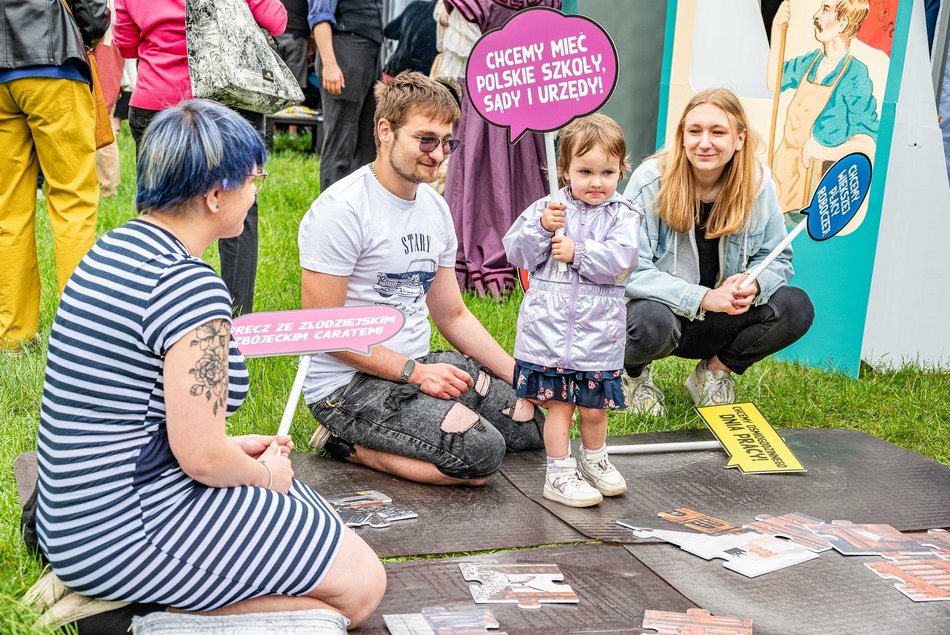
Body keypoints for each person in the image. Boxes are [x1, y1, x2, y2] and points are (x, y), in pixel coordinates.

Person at [34, 100, 384, 627]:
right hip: (127, 529)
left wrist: (233, 452)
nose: (256, 191)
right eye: (254, 179)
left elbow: (132, 413)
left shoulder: (113, 249)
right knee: (362, 588)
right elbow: (200, 458)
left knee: (311, 510)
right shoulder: (189, 287)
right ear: (215, 193)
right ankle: (144, 616)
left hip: (73, 517)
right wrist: (260, 475)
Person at [300, 71, 544, 486]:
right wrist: (414, 372)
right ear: (385, 131)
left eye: (448, 142)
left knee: (531, 423)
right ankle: (344, 444)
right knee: (480, 454)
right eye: (426, 139)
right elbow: (323, 332)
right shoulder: (341, 210)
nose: (438, 154)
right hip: (347, 388)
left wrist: (521, 375)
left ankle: (407, 427)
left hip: (419, 366)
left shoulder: (434, 207)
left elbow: (452, 314)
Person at [622, 88, 815, 415]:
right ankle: (632, 375)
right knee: (650, 321)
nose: (704, 142)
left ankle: (713, 373)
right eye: (694, 131)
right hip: (663, 316)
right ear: (682, 136)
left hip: (722, 317)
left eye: (718, 132)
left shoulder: (758, 183)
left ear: (740, 138)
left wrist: (754, 284)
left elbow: (778, 259)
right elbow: (628, 271)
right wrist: (701, 297)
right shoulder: (650, 180)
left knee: (796, 306)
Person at [114, 0, 289, 315]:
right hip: (226, 102)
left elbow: (126, 44)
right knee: (239, 208)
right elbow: (275, 20)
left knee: (160, 211)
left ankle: (159, 307)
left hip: (156, 103)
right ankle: (236, 318)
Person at [503, 114, 640, 508]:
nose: (597, 182)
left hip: (598, 338)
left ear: (621, 170)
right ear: (565, 170)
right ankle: (559, 472)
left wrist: (579, 252)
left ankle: (594, 459)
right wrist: (543, 229)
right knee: (560, 409)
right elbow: (516, 253)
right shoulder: (549, 208)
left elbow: (622, 261)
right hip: (549, 334)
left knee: (595, 411)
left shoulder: (625, 215)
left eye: (607, 172)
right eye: (585, 171)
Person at [0, 0, 110, 353]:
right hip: (54, 61)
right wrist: (89, 35)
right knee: (72, 201)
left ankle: (13, 336)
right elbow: (92, 10)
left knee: (8, 212)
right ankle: (79, 337)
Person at [444, 0, 561, 299]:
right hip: (493, 94)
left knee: (519, 167)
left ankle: (526, 254)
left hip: (521, 95)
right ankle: (503, 257)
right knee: (486, 164)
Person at [767, 0, 878, 213]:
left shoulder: (855, 75)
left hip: (813, 188)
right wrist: (776, 29)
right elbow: (774, 81)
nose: (816, 16)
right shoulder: (812, 61)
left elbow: (870, 143)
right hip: (781, 173)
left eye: (825, 9)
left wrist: (826, 150)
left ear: (843, 22)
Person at [309, 0, 385, 190]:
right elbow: (319, 17)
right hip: (344, 51)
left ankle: (359, 209)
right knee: (341, 143)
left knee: (369, 144)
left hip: (373, 53)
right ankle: (331, 212)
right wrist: (330, 64)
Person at [382, 0, 438, 79]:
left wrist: (406, 33)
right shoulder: (441, 19)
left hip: (392, 71)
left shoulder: (415, 6)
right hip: (415, 82)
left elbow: (388, 31)